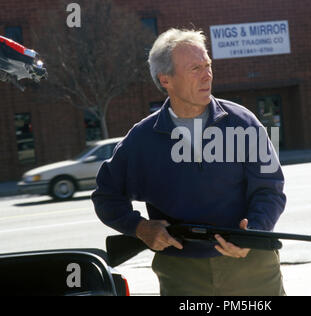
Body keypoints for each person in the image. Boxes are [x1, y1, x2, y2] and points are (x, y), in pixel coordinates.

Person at [91, 28, 287, 296]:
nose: (207, 75)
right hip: (181, 274)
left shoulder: (244, 123)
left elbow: (270, 191)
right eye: (195, 68)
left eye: (208, 65)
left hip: (251, 265)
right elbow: (106, 196)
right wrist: (139, 228)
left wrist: (254, 231)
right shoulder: (141, 140)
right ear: (166, 80)